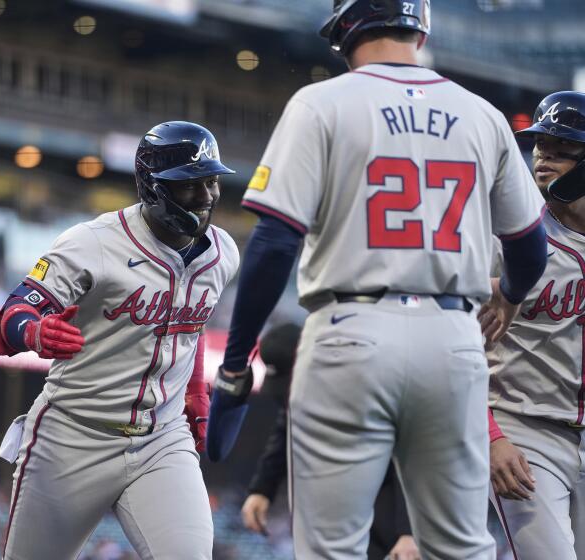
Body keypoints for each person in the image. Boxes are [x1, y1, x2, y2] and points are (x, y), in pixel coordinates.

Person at [207, 0, 549, 557]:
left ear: (344, 31)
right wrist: (507, 297)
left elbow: (273, 244)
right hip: (453, 337)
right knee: (461, 547)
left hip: (351, 329)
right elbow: (530, 246)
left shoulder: (322, 103)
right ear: (422, 28)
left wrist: (235, 362)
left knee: (331, 548)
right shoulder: (481, 113)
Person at [0, 121, 240, 560]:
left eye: (211, 182)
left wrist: (196, 392)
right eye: (191, 186)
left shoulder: (223, 254)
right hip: (73, 436)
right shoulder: (93, 243)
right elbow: (5, 321)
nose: (206, 197)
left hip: (162, 438)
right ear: (154, 188)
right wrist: (34, 330)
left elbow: (188, 323)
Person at [487, 91, 585, 560]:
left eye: (562, 149)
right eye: (540, 146)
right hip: (525, 429)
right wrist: (489, 435)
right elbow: (455, 344)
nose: (544, 157)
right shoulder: (507, 236)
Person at [240, 324, 420, 560]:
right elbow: (287, 427)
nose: (291, 397)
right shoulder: (303, 394)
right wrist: (262, 488)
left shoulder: (366, 379)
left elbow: (409, 455)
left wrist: (410, 531)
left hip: (388, 493)